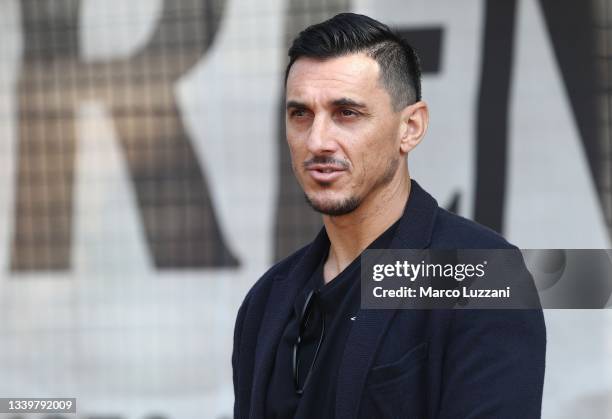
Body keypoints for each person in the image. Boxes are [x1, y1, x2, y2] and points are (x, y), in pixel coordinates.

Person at [232, 12, 546, 419]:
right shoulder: (268, 299)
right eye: (300, 114)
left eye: (347, 113)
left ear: (411, 127)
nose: (318, 140)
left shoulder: (482, 277)